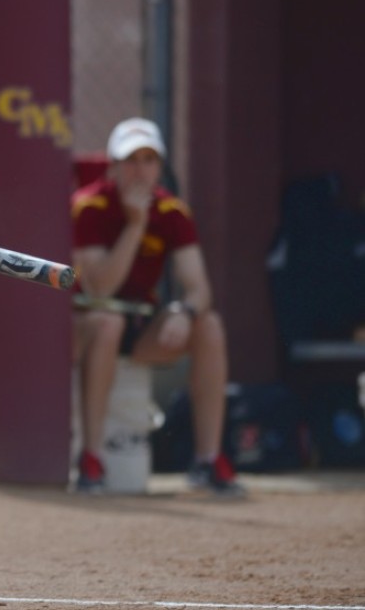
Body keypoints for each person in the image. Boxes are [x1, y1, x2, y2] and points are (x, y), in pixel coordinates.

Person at [70, 117, 242, 495]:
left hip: (142, 324)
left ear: (160, 167)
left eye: (149, 160)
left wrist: (184, 312)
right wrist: (135, 226)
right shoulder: (89, 205)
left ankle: (207, 459)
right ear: (113, 165)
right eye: (131, 160)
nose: (140, 170)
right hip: (88, 323)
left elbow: (199, 288)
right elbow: (101, 287)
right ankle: (92, 457)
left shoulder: (173, 212)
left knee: (209, 325)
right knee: (108, 320)